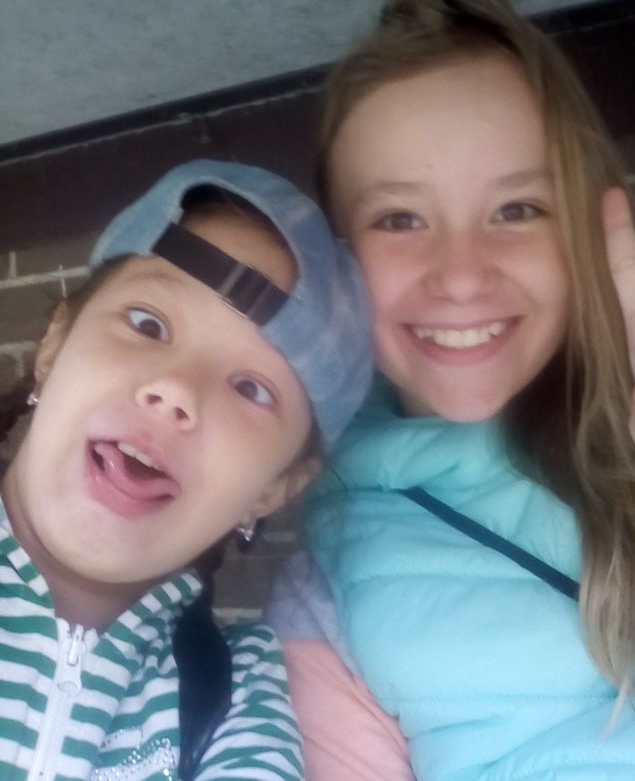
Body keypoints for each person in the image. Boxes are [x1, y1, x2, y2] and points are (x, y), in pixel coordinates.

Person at [266, 0, 635, 780]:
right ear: (335, 257)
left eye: (516, 209)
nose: (461, 274)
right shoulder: (324, 594)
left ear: (582, 227)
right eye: (399, 218)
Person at [0, 158, 371, 780]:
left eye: (251, 388)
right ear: (55, 346)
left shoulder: (237, 698)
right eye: (148, 324)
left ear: (275, 489)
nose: (176, 390)